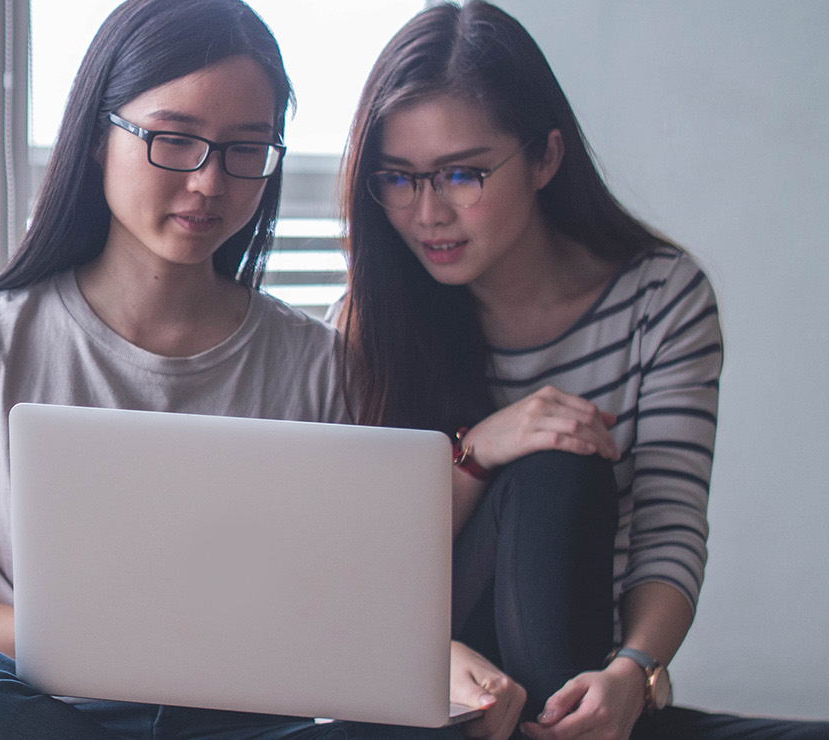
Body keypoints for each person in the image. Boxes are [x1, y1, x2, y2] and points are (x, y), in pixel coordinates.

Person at [0, 1, 515, 738]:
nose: (210, 181)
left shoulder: (320, 364)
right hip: (56, 712)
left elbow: (357, 601)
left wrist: (431, 659)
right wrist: (110, 644)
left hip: (251, 722)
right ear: (96, 137)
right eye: (174, 140)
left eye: (246, 148)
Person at [338, 3, 829, 740]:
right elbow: (358, 565)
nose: (427, 213)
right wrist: (479, 449)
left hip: (580, 678)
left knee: (563, 467)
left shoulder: (659, 298)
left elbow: (668, 524)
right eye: (398, 179)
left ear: (545, 158)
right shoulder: (366, 321)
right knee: (552, 466)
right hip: (433, 688)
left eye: (462, 174)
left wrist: (633, 671)